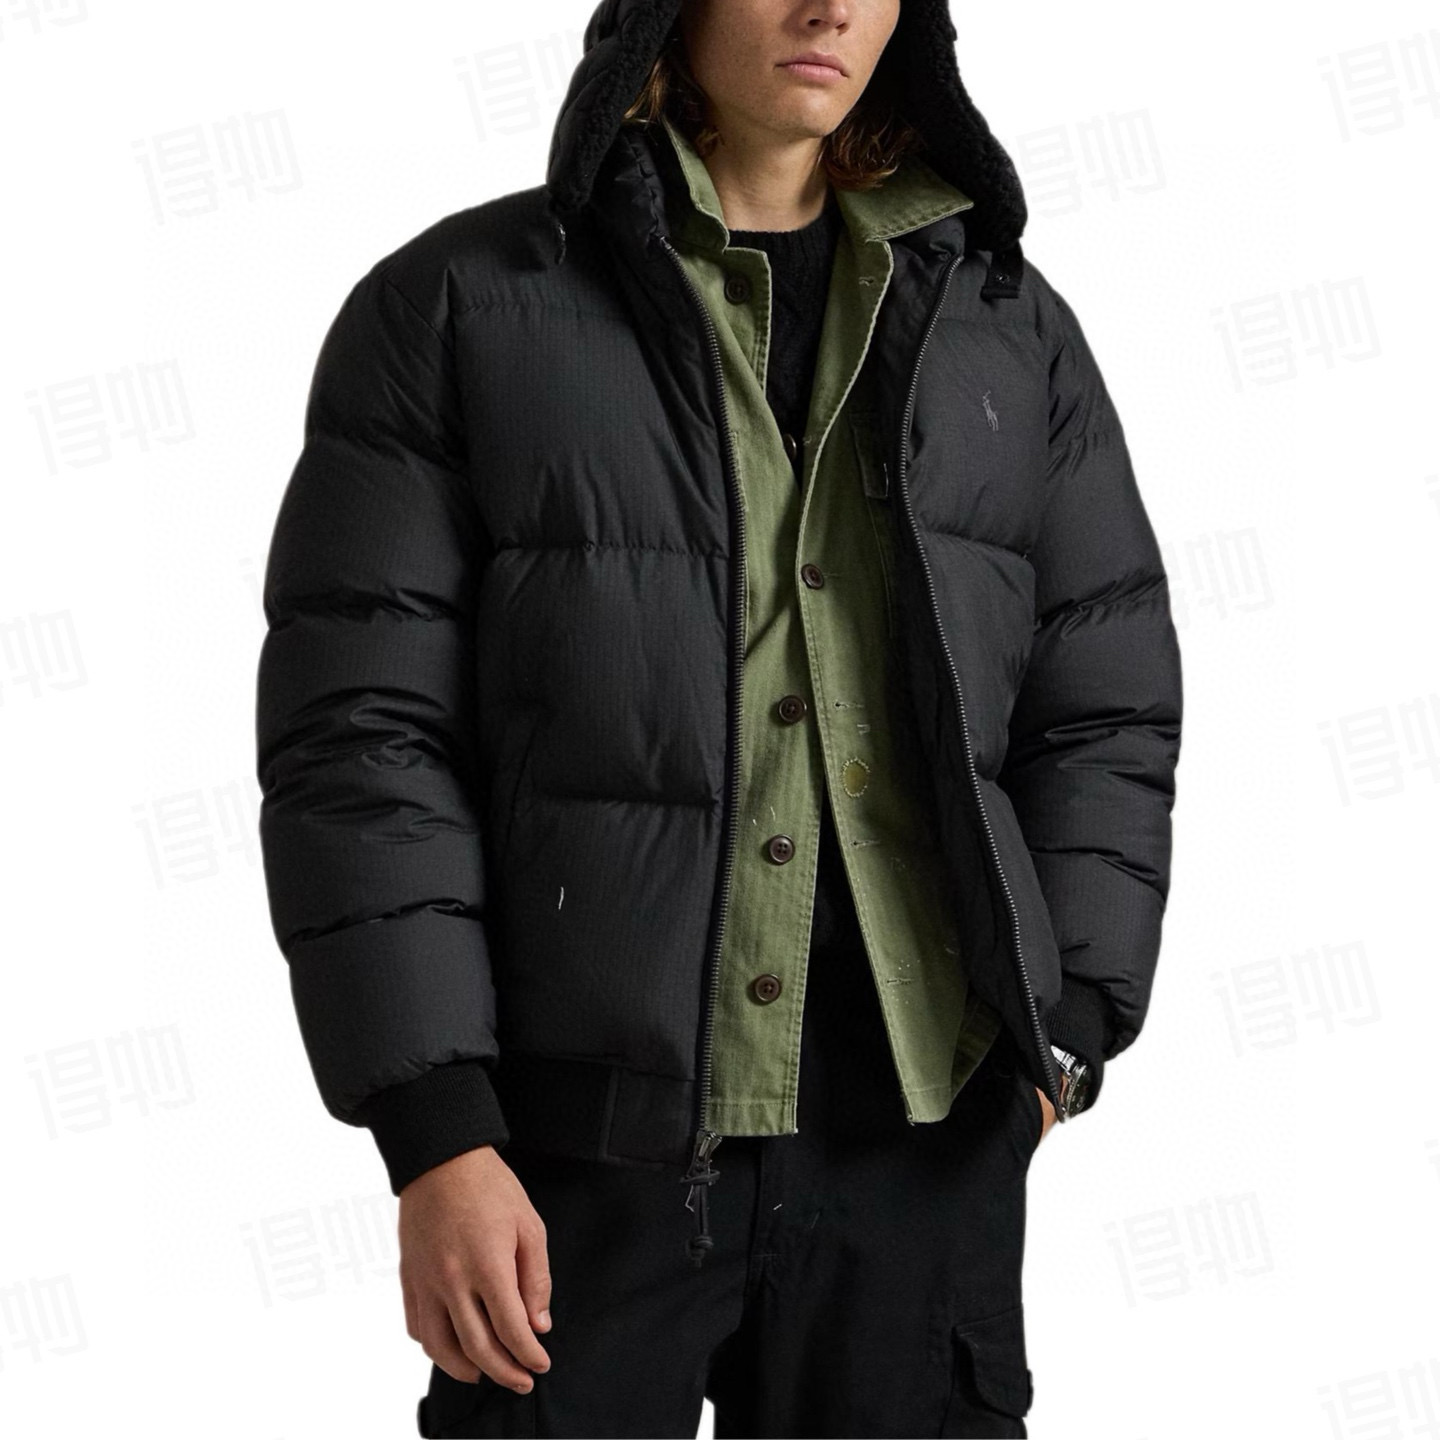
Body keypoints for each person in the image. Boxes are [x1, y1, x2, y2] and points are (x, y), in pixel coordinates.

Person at [254, 0, 1183, 1435]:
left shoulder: (1006, 326)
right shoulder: (459, 307)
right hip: (571, 1156)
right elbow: (363, 738)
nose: (830, 9)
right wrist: (436, 1132)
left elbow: (1104, 700)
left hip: (921, 1144)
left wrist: (1063, 1034)